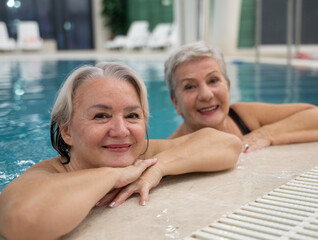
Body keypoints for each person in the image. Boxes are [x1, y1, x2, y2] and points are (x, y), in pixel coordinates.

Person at [0, 63, 242, 240]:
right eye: (101, 116)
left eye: (132, 116)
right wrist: (115, 175)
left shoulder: (141, 155)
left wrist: (158, 168)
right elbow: (24, 223)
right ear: (67, 132)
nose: (120, 129)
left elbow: (227, 144)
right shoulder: (44, 175)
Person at [164, 41, 318, 152]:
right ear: (176, 103)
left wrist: (266, 134)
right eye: (190, 87)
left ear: (228, 87)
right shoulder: (171, 149)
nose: (206, 95)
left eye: (213, 80)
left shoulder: (243, 116)